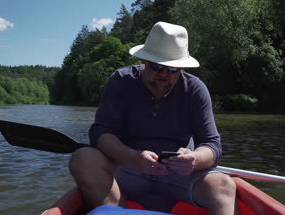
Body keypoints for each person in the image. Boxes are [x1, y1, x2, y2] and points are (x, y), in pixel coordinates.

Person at [69, 22, 236, 214]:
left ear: (181, 67)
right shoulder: (121, 81)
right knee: (83, 158)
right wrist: (134, 158)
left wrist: (194, 159)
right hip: (128, 169)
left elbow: (212, 144)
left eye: (173, 69)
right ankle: (118, 211)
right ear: (145, 61)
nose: (164, 74)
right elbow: (101, 133)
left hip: (178, 176)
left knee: (223, 186)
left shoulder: (196, 90)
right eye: (157, 66)